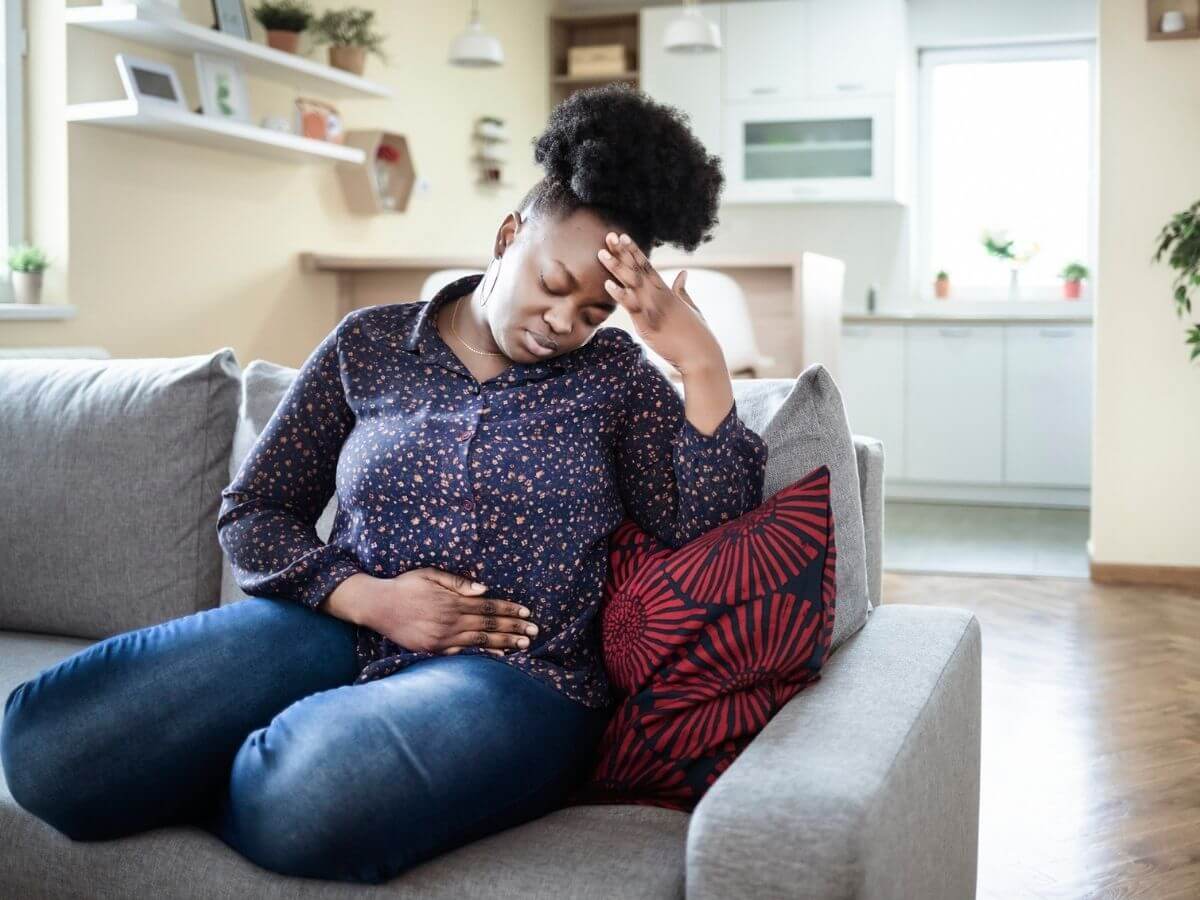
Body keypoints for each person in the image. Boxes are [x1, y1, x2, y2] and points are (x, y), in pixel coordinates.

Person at [0, 83, 769, 885]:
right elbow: (254, 511)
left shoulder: (614, 379)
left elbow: (708, 530)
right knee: (46, 745)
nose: (561, 321)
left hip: (516, 679)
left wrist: (700, 365)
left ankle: (229, 775)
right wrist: (368, 598)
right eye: (553, 283)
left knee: (304, 798)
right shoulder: (367, 344)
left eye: (590, 312)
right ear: (508, 235)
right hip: (330, 631)